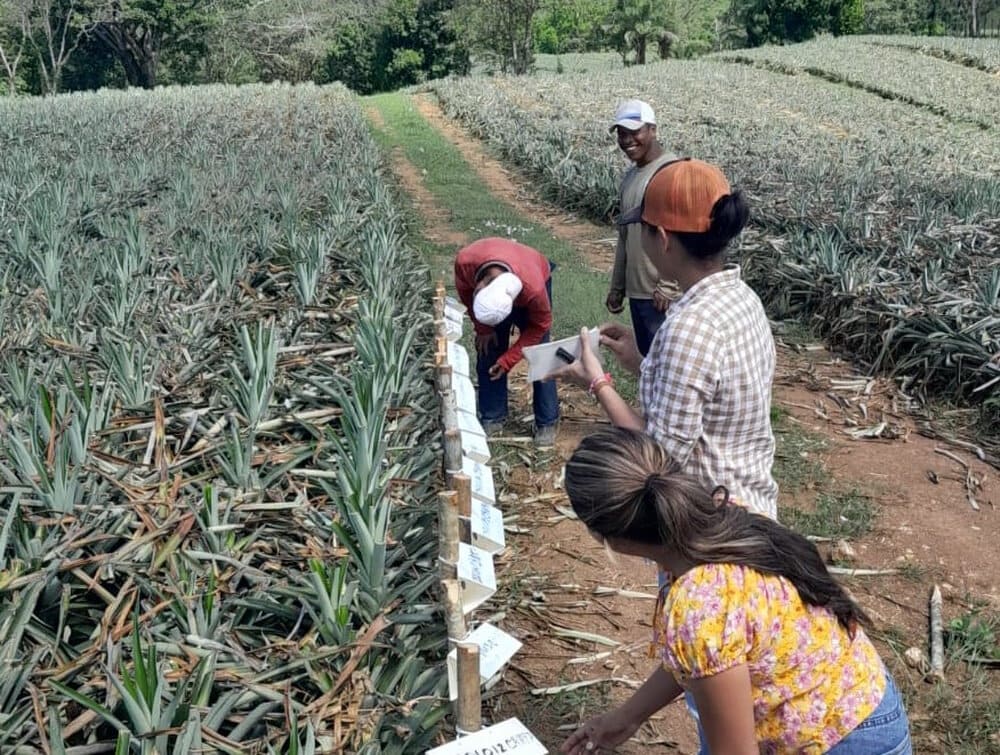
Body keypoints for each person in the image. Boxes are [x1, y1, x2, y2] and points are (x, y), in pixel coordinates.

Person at [561, 428, 913, 755]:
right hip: (863, 703)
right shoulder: (716, 523)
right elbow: (705, 653)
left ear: (605, 537)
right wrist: (628, 717)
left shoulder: (698, 605)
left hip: (844, 738)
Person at [549, 157, 778, 518]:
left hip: (707, 525)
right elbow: (707, 392)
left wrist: (596, 382)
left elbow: (659, 458)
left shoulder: (690, 327)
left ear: (665, 239)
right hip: (751, 506)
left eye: (646, 230)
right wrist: (642, 363)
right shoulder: (742, 299)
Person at [454, 237, 559, 447]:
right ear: (478, 288)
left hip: (534, 269)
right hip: (505, 265)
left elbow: (539, 326)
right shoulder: (465, 262)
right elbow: (464, 293)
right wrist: (482, 329)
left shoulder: (534, 290)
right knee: (488, 347)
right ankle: (492, 414)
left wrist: (509, 360)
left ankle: (547, 420)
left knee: (541, 354)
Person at [606, 99, 680, 356]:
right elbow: (625, 236)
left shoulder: (670, 172)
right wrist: (618, 286)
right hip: (639, 291)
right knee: (648, 368)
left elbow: (680, 231)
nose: (627, 140)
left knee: (663, 366)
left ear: (653, 130)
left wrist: (669, 285)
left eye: (634, 131)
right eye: (621, 133)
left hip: (662, 295)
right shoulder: (631, 177)